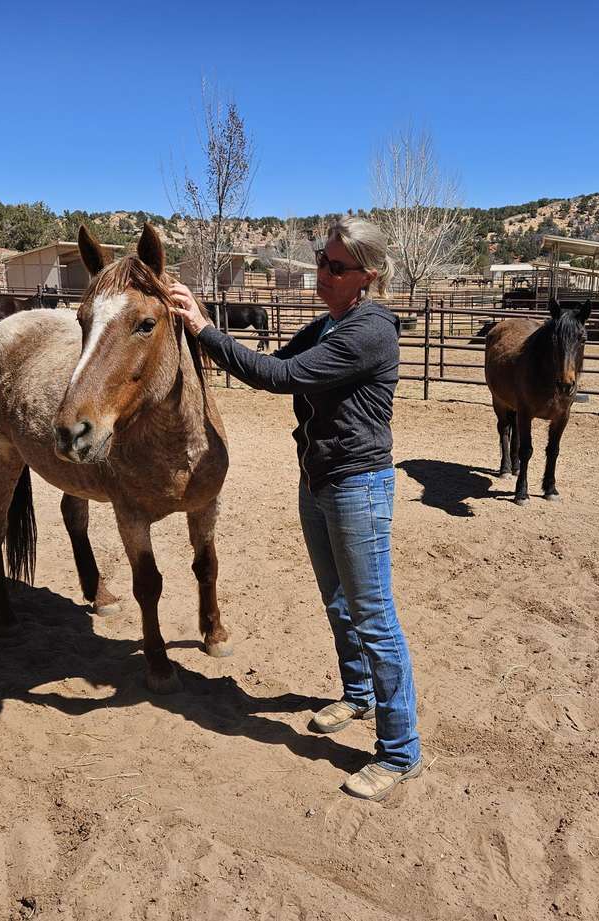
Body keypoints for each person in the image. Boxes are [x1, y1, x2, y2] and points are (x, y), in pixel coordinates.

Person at [168, 216, 422, 801]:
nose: (324, 273)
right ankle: (357, 696)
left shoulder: (369, 333)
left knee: (375, 617)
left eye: (337, 267)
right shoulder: (328, 327)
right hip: (319, 482)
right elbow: (263, 362)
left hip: (358, 487)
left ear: (367, 277)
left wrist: (206, 328)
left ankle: (401, 750)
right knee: (339, 603)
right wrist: (199, 325)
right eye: (322, 259)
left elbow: (279, 377)